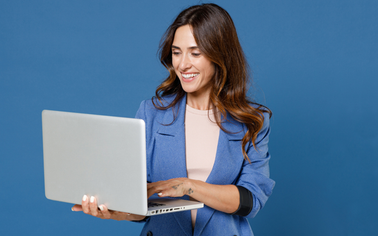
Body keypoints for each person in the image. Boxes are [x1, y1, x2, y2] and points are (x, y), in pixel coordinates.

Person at [71, 3, 275, 235]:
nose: (182, 64)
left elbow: (251, 200)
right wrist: (117, 212)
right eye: (177, 52)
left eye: (195, 53)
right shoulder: (151, 114)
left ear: (220, 55)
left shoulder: (252, 120)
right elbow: (140, 201)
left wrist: (189, 186)